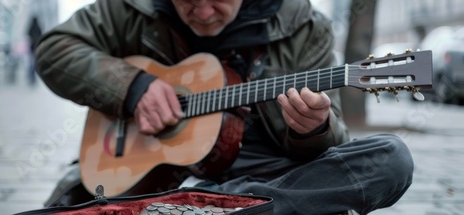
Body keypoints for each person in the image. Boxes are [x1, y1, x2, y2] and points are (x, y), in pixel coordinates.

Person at [34, 0, 414, 214]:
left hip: (270, 171)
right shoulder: (133, 7)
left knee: (391, 158)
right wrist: (132, 88)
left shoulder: (305, 27)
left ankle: (221, 203)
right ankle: (228, 205)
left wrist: (313, 128)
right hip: (145, 170)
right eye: (187, 0)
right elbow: (55, 49)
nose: (201, 12)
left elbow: (332, 146)